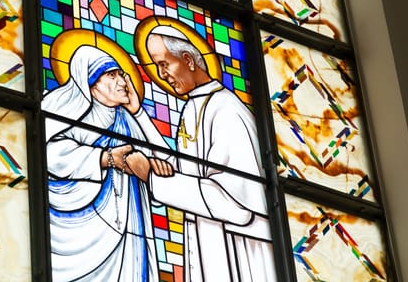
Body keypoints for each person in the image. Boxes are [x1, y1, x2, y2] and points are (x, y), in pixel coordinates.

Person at [143, 25, 277, 282]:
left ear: (187, 60)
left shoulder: (227, 111)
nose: (161, 75)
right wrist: (139, 115)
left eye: (164, 64)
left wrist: (153, 179)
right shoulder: (194, 106)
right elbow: (183, 171)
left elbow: (234, 204)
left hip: (241, 253)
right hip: (210, 244)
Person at [41, 44, 172, 282]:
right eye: (111, 75)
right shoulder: (67, 111)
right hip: (79, 231)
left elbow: (170, 164)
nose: (123, 81)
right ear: (90, 81)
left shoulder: (129, 122)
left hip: (129, 232)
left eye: (121, 74)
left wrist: (138, 112)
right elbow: (48, 152)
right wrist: (105, 158)